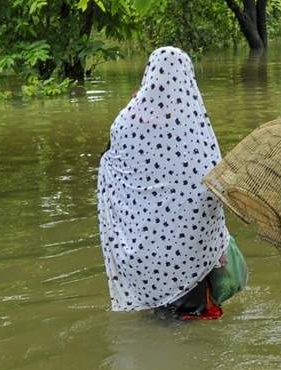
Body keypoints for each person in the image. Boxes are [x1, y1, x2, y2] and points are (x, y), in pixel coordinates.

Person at [97, 46, 231, 320]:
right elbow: (212, 181)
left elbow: (111, 170)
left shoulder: (126, 122)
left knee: (162, 314)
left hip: (147, 248)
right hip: (190, 244)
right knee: (190, 316)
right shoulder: (194, 122)